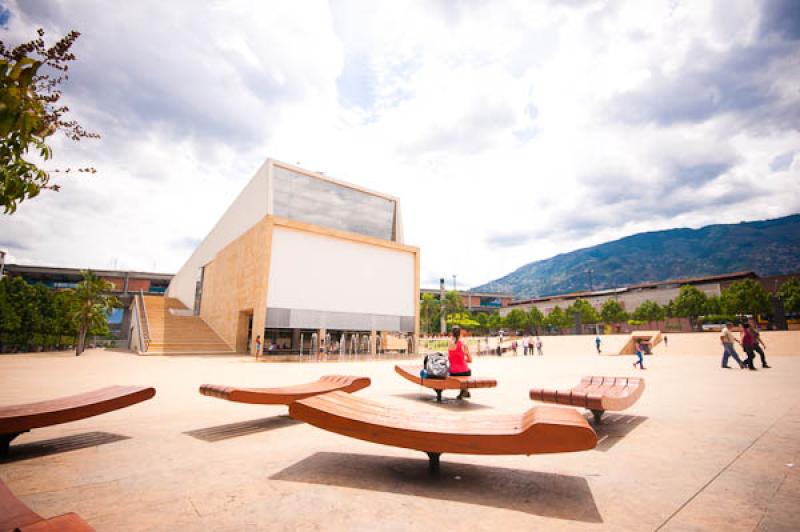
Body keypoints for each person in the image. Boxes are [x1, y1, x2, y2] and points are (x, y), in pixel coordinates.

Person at [448, 326, 472, 399]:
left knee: (455, 370)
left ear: (452, 333)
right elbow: (470, 360)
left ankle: (463, 391)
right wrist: (463, 360)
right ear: (460, 333)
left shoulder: (449, 344)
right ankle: (464, 390)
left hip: (453, 372)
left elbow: (450, 358)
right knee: (467, 370)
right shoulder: (463, 345)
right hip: (464, 372)